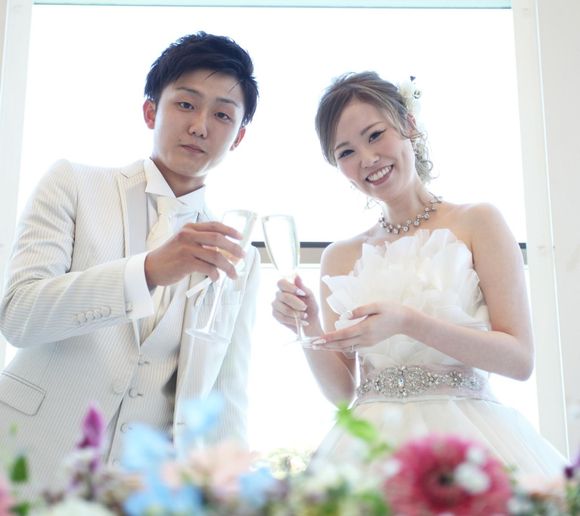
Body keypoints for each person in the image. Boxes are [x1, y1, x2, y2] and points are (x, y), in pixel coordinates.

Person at [0, 31, 260, 493]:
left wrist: (229, 491)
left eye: (222, 114)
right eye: (186, 104)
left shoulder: (238, 255)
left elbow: (225, 395)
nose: (200, 126)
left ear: (238, 136)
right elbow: (20, 316)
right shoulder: (73, 183)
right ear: (150, 111)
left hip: (142, 490)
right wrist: (148, 272)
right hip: (26, 459)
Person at [272, 71, 566, 476]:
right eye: (346, 152)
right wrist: (306, 325)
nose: (367, 159)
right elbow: (341, 394)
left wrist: (408, 323)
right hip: (370, 454)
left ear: (408, 125)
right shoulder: (339, 257)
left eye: (375, 135)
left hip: (467, 439)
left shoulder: (478, 222)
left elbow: (519, 360)